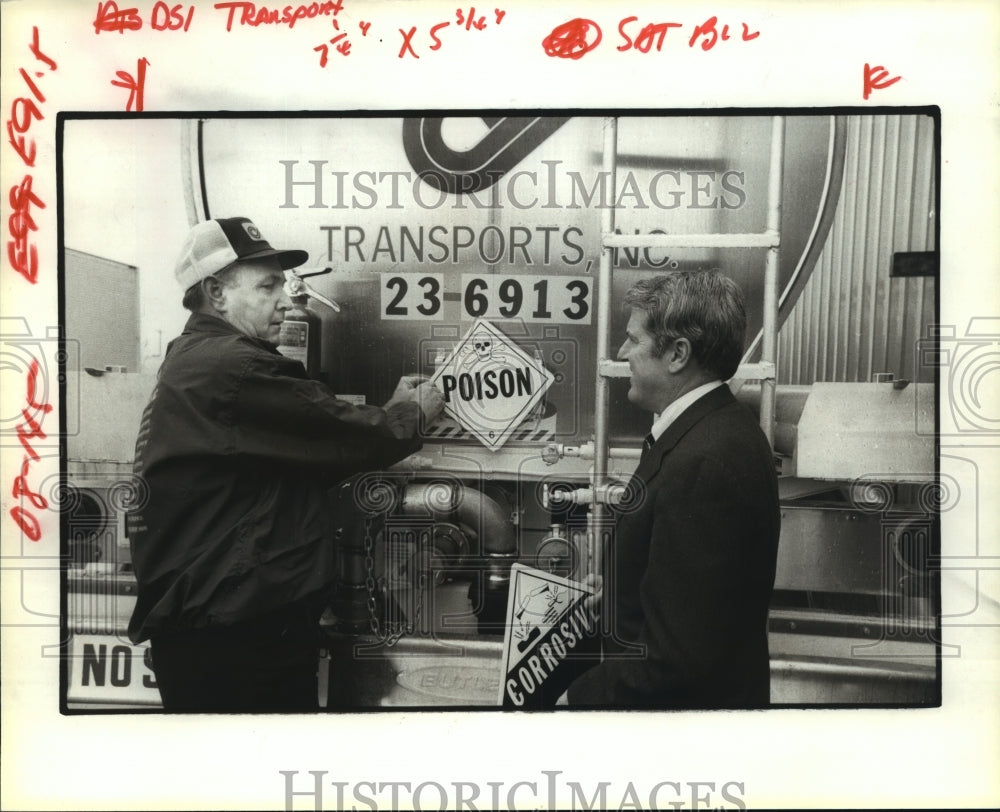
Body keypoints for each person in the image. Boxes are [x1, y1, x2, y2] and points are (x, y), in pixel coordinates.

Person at [126, 216, 444, 712]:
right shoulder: (235, 366)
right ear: (217, 292)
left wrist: (386, 414)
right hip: (234, 638)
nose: (285, 298)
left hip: (219, 629)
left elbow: (306, 451)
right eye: (268, 285)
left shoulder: (196, 359)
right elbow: (342, 434)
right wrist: (412, 414)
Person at [565, 271, 780, 709]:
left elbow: (675, 661)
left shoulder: (705, 460)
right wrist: (620, 596)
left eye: (633, 340)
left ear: (678, 354)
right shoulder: (712, 429)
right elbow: (693, 599)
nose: (622, 353)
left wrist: (574, 699)